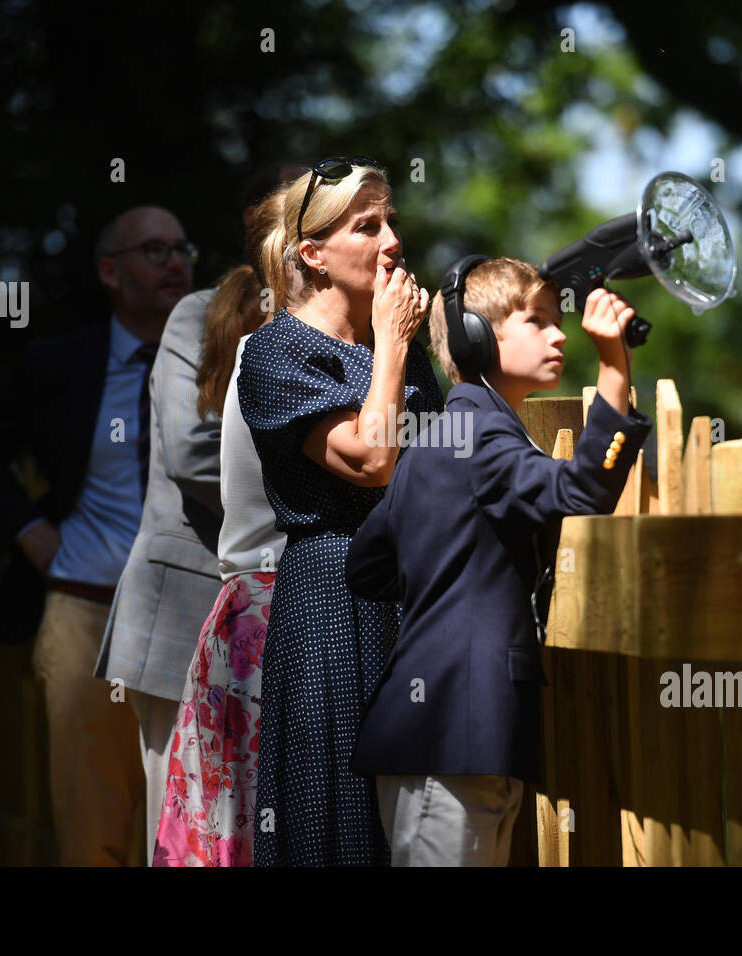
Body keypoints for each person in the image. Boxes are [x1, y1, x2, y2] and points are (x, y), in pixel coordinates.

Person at [344, 257, 651, 866]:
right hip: (454, 738)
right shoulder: (484, 437)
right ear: (475, 337)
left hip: (449, 736)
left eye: (556, 320)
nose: (560, 334)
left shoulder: (439, 435)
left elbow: (367, 565)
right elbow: (583, 492)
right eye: (537, 320)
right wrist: (615, 369)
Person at [0, 205, 195, 865]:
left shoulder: (218, 358)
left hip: (190, 622)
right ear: (110, 271)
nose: (174, 261)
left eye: (181, 248)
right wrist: (30, 532)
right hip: (86, 610)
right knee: (93, 831)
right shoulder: (60, 363)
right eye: (154, 250)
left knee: (185, 830)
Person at [96, 166, 307, 865]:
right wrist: (314, 496)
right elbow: (189, 453)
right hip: (181, 610)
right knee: (185, 835)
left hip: (283, 623)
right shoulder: (197, 313)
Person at [238, 157, 443, 866]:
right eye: (367, 225)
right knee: (337, 822)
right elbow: (370, 460)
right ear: (313, 254)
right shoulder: (275, 351)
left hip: (413, 600)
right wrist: (391, 344)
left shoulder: (408, 353)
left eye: (391, 220)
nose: (392, 240)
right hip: (332, 598)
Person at [153, 186, 300, 866]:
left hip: (256, 608)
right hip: (213, 602)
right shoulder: (225, 325)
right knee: (212, 819)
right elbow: (187, 451)